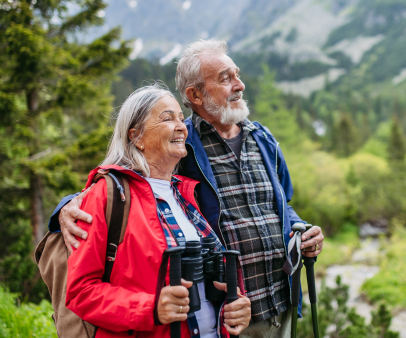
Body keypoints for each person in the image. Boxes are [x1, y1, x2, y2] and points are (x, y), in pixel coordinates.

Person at [51, 40, 325, 338]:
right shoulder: (183, 147)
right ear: (195, 94)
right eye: (225, 78)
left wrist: (300, 228)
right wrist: (65, 206)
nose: (239, 85)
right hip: (228, 316)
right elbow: (125, 179)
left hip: (275, 299)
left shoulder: (263, 139)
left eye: (237, 74)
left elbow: (283, 202)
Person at [65, 85, 251, 338]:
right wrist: (151, 308)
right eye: (167, 118)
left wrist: (236, 304)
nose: (181, 126)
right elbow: (81, 292)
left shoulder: (186, 194)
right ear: (136, 136)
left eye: (179, 117)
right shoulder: (107, 195)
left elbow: (207, 281)